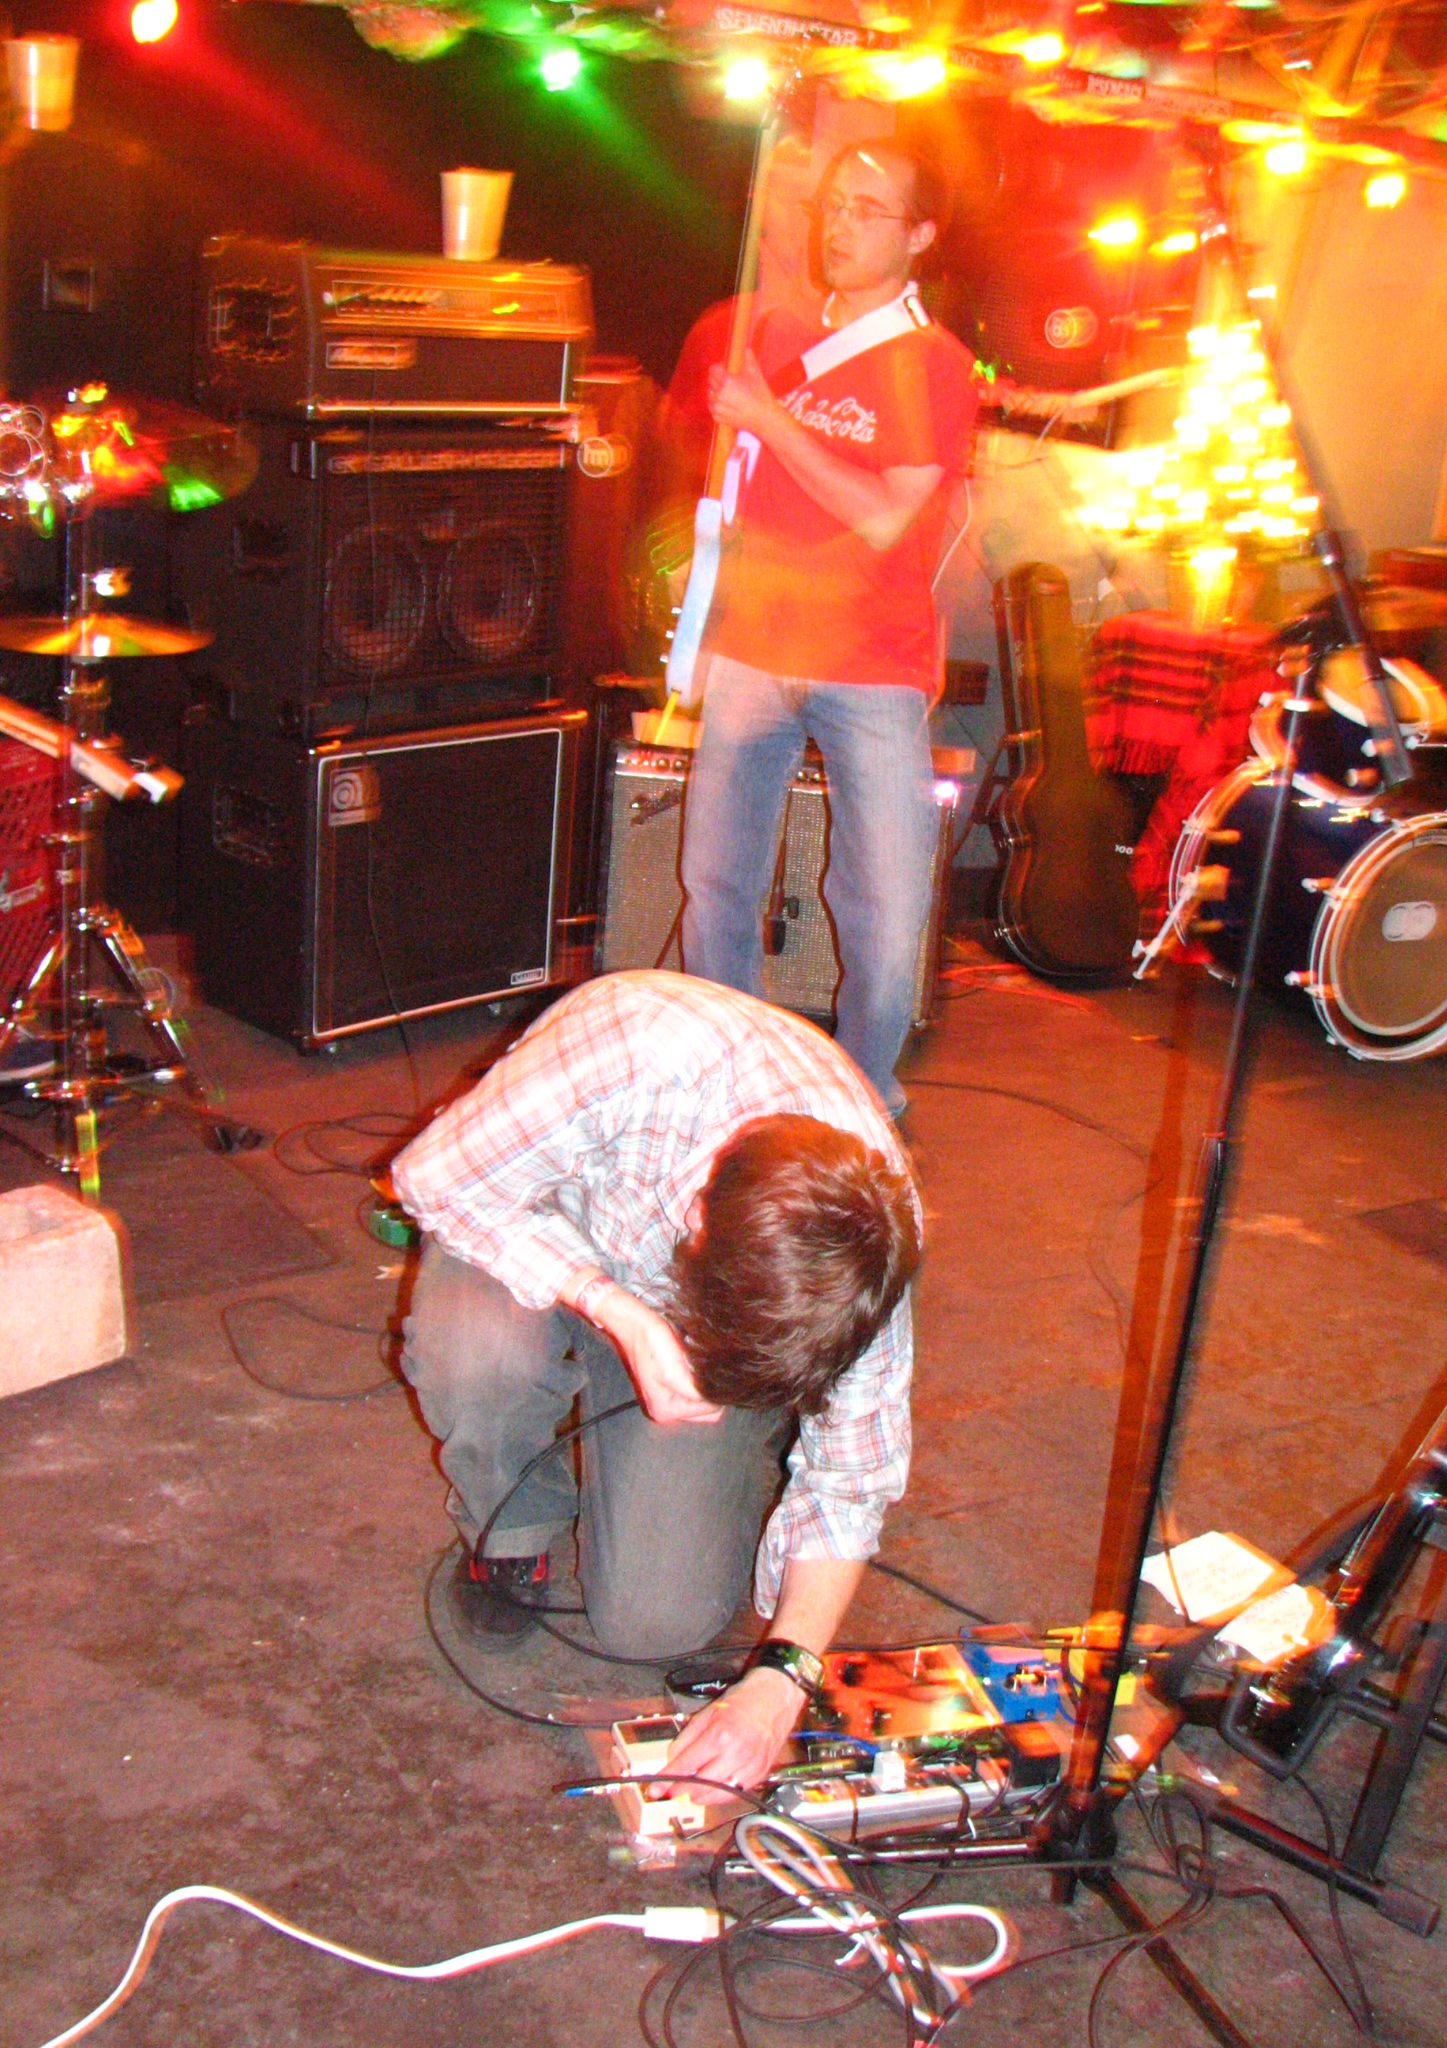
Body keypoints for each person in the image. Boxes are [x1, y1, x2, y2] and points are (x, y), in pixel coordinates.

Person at [393, 971, 921, 1798]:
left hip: (690, 1310)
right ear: (699, 1221)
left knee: (653, 1624)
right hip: (534, 1227)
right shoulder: (629, 1051)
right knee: (477, 1349)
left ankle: (724, 1446)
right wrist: (614, 1307)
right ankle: (512, 1538)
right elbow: (430, 1177)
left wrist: (784, 1675)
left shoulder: (868, 1238)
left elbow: (853, 1478)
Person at [679, 139, 979, 1116]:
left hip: (872, 663)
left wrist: (769, 418)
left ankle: (859, 1099)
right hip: (753, 647)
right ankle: (733, 1086)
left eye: (865, 209)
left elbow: (884, 514)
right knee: (715, 886)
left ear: (920, 236)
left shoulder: (934, 364)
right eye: (832, 205)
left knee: (886, 911)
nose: (838, 225)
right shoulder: (774, 334)